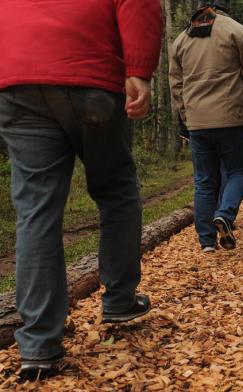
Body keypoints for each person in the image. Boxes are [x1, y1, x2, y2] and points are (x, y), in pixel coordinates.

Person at [0, 0, 163, 380]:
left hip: (17, 82)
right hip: (90, 77)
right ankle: (120, 300)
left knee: (35, 212)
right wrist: (140, 70)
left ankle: (39, 346)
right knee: (116, 189)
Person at [169, 0, 243, 252]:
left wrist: (187, 117)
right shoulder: (237, 31)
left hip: (198, 123)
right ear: (223, 10)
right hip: (232, 119)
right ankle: (225, 214)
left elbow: (176, 85)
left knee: (204, 181)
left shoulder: (181, 40)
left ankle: (207, 242)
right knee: (239, 171)